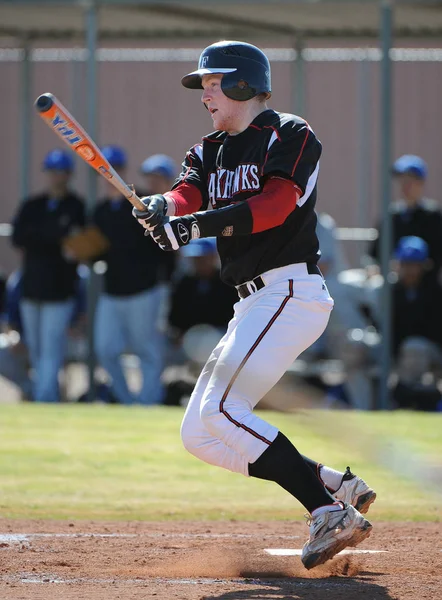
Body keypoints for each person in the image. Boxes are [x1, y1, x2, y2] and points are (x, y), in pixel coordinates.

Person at [133, 41, 374, 569]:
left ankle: (326, 512)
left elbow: (275, 204)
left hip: (290, 291)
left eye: (214, 83)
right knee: (199, 432)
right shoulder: (209, 148)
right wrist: (162, 207)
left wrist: (192, 227)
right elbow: (186, 193)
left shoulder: (290, 133)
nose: (205, 95)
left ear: (243, 83)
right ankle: (336, 485)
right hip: (252, 304)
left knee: (223, 410)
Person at [93, 146, 175, 405]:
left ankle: (148, 401)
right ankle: (127, 400)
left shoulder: (141, 203)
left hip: (144, 289)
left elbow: (165, 248)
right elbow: (98, 250)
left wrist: (165, 283)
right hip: (112, 290)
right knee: (105, 349)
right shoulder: (101, 210)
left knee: (146, 350)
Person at [11, 149, 85, 402]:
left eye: (60, 172)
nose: (56, 177)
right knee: (35, 347)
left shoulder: (76, 206)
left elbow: (79, 243)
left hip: (60, 288)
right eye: (52, 171)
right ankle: (42, 393)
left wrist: (42, 237)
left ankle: (46, 397)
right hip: (31, 286)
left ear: (68, 174)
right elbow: (18, 237)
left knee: (51, 347)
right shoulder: (33, 205)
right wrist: (55, 237)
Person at [369, 154, 442, 285]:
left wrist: (414, 267)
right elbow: (374, 256)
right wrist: (379, 268)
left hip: (427, 287)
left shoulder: (433, 216)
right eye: (402, 181)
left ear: (421, 183)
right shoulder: (391, 216)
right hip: (391, 284)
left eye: (410, 180)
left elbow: (436, 258)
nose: (405, 186)